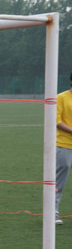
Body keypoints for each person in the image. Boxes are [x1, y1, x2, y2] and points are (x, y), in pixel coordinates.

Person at [56, 72, 72, 225]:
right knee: (59, 181)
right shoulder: (61, 97)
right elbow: (57, 121)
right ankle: (53, 212)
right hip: (64, 144)